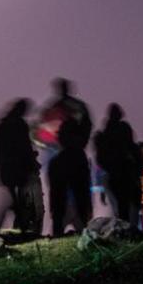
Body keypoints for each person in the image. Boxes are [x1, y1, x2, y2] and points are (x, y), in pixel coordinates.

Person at [39, 77, 93, 236]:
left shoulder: (53, 108)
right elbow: (87, 126)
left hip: (61, 155)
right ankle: (79, 227)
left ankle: (61, 228)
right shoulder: (77, 107)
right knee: (77, 195)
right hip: (69, 155)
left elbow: (42, 132)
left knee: (62, 196)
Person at [0, 98, 41, 235]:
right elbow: (25, 147)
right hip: (17, 169)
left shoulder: (2, 123)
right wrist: (31, 163)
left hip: (6, 169)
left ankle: (0, 229)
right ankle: (19, 228)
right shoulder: (20, 125)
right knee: (14, 201)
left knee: (11, 200)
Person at [92, 104, 143, 229]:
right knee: (128, 206)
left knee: (120, 207)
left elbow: (100, 160)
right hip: (124, 173)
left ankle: (123, 229)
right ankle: (129, 230)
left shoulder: (105, 134)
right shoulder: (122, 129)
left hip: (113, 174)